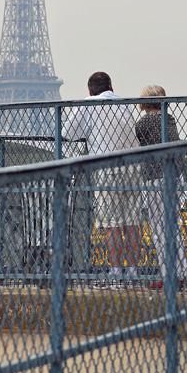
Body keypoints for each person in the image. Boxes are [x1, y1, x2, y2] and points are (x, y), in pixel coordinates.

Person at [62, 72, 141, 284]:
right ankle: (133, 271)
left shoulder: (88, 104)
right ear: (111, 87)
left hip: (107, 168)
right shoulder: (124, 104)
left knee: (111, 224)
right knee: (132, 224)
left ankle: (115, 271)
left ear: (89, 91)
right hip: (133, 167)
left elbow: (67, 133)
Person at [136, 85, 187, 287]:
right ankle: (181, 273)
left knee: (159, 228)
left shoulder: (144, 123)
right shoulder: (169, 119)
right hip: (175, 175)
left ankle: (167, 276)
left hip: (156, 177)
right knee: (174, 226)